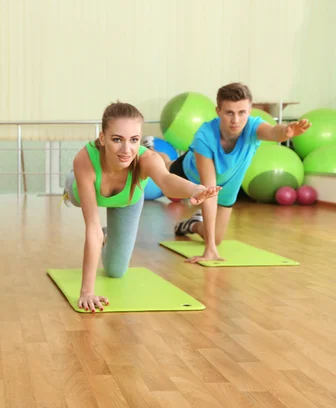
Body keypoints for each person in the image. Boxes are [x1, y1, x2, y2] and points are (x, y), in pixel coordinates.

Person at [63, 101, 221, 313]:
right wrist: (86, 292)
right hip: (81, 191)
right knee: (74, 197)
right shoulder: (86, 159)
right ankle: (69, 187)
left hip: (127, 202)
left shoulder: (147, 158)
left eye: (134, 140)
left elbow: (166, 181)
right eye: (117, 139)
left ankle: (109, 235)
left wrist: (194, 189)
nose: (126, 150)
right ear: (103, 138)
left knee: (116, 271)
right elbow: (91, 227)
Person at [169, 83, 311, 263]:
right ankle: (152, 150)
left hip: (228, 186)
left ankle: (192, 224)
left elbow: (273, 132)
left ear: (250, 110)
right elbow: (209, 189)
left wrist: (286, 131)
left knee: (217, 238)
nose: (236, 120)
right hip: (192, 174)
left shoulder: (253, 127)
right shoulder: (204, 136)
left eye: (242, 112)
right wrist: (209, 249)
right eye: (229, 112)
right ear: (218, 111)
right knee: (166, 170)